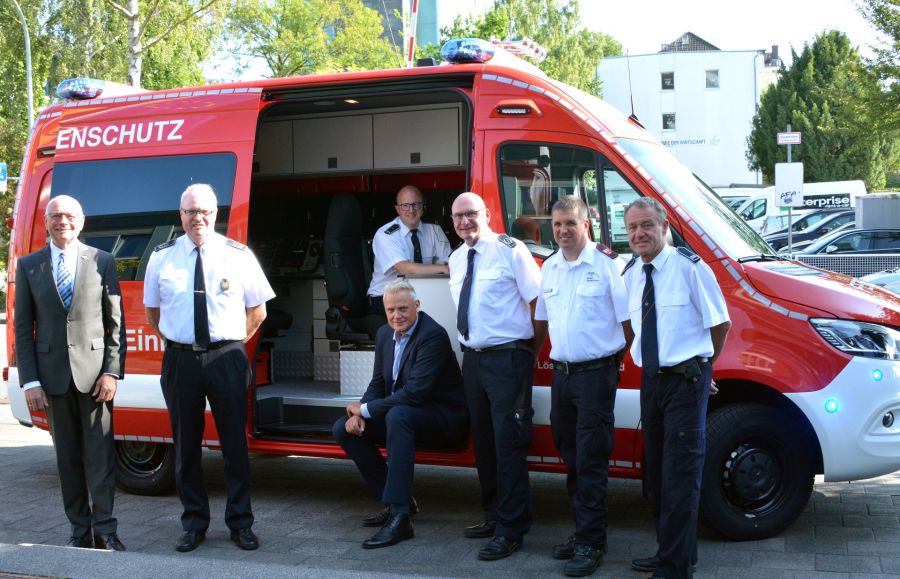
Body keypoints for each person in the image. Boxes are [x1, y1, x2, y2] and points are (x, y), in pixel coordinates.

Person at [143, 183, 275, 553]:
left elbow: (258, 311)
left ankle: (240, 523)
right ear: (180, 215)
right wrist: (182, 341)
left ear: (216, 214)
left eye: (203, 211)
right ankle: (194, 523)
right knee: (185, 448)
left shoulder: (239, 255)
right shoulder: (162, 257)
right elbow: (154, 314)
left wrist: (230, 343)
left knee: (234, 445)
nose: (197, 218)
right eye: (190, 212)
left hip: (227, 358)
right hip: (181, 359)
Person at [622, 197, 731, 579]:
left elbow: (720, 324)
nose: (639, 234)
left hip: (686, 381)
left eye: (647, 225)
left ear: (664, 226)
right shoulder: (632, 271)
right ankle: (673, 551)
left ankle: (675, 567)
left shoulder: (689, 268)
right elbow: (632, 325)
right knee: (656, 474)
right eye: (633, 227)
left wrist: (704, 368)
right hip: (652, 381)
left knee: (681, 474)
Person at [14, 195, 126, 551]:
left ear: (81, 221)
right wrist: (30, 380)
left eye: (69, 215)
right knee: (67, 460)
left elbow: (115, 325)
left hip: (96, 380)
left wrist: (111, 373)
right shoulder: (29, 265)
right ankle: (79, 531)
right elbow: (22, 329)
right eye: (55, 215)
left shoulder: (102, 261)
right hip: (51, 380)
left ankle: (106, 531)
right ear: (46, 222)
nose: (63, 220)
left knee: (102, 459)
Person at [532, 197, 629, 577]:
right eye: (556, 225)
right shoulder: (550, 267)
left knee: (591, 456)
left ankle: (592, 541)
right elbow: (542, 322)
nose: (562, 231)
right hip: (563, 375)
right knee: (569, 452)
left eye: (570, 223)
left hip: (594, 375)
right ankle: (582, 530)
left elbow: (628, 325)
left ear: (586, 224)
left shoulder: (608, 265)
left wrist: (611, 366)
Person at [332, 279, 468, 549]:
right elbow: (378, 383)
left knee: (398, 416)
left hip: (443, 419)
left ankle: (400, 515)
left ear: (417, 306)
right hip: (408, 415)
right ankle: (396, 498)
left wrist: (367, 410)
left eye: (403, 309)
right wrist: (360, 413)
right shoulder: (384, 334)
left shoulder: (432, 336)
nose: (397, 316)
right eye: (391, 310)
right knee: (342, 428)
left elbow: (416, 393)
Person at [448, 191, 541, 561]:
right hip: (474, 360)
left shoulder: (510, 249)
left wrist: (527, 351)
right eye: (458, 217)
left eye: (471, 214)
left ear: (486, 214)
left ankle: (512, 528)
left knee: (509, 444)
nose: (464, 222)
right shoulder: (456, 259)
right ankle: (494, 515)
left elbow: (538, 303)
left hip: (508, 358)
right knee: (484, 444)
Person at [367, 185, 452, 316]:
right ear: (397, 209)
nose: (411, 210)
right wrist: (442, 268)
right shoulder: (386, 234)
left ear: (423, 207)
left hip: (421, 296)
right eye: (405, 205)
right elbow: (404, 268)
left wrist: (446, 267)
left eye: (416, 205)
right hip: (387, 298)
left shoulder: (434, 229)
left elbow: (450, 262)